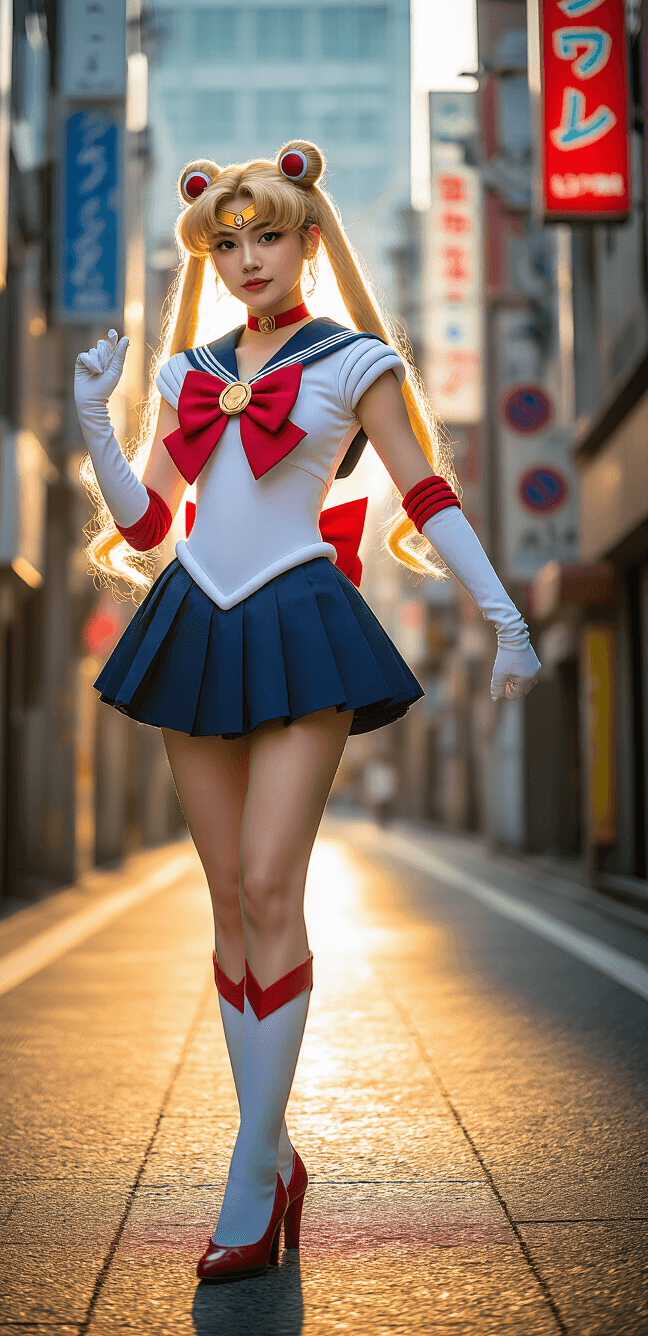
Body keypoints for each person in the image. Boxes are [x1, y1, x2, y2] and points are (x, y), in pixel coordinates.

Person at [73, 141, 541, 1283]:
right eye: (226, 243)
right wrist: (96, 421)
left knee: (275, 883)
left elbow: (425, 491)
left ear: (310, 242)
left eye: (266, 236)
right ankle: (275, 1158)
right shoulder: (186, 371)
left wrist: (504, 614)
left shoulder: (356, 361)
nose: (245, 259)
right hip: (196, 614)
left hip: (300, 619)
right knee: (229, 899)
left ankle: (247, 1162)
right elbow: (145, 529)